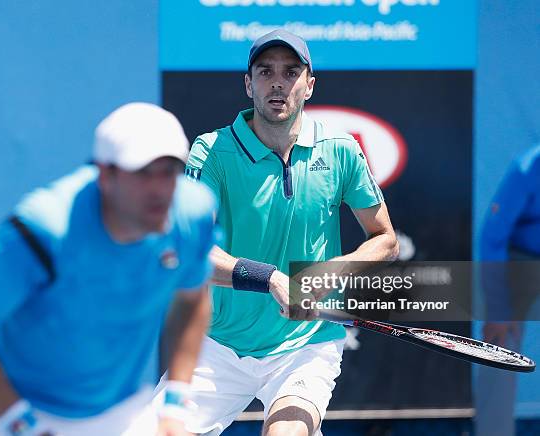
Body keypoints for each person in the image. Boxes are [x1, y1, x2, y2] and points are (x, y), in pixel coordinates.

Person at [155, 29, 399, 436]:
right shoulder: (211, 151)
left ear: (309, 85)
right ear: (249, 84)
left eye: (291, 72)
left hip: (305, 345)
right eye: (265, 72)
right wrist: (271, 279)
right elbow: (191, 251)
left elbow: (385, 239)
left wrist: (325, 274)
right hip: (217, 344)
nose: (278, 82)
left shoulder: (341, 150)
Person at [0, 103, 217, 436]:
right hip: (8, 408)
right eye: (143, 173)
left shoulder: (192, 212)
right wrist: (23, 425)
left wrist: (174, 404)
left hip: (117, 410)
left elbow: (192, 302)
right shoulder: (45, 230)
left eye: (169, 171)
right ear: (105, 175)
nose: (159, 189)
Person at [477, 144, 540, 436]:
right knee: (500, 350)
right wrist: (499, 309)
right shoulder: (527, 166)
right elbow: (492, 237)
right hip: (523, 258)